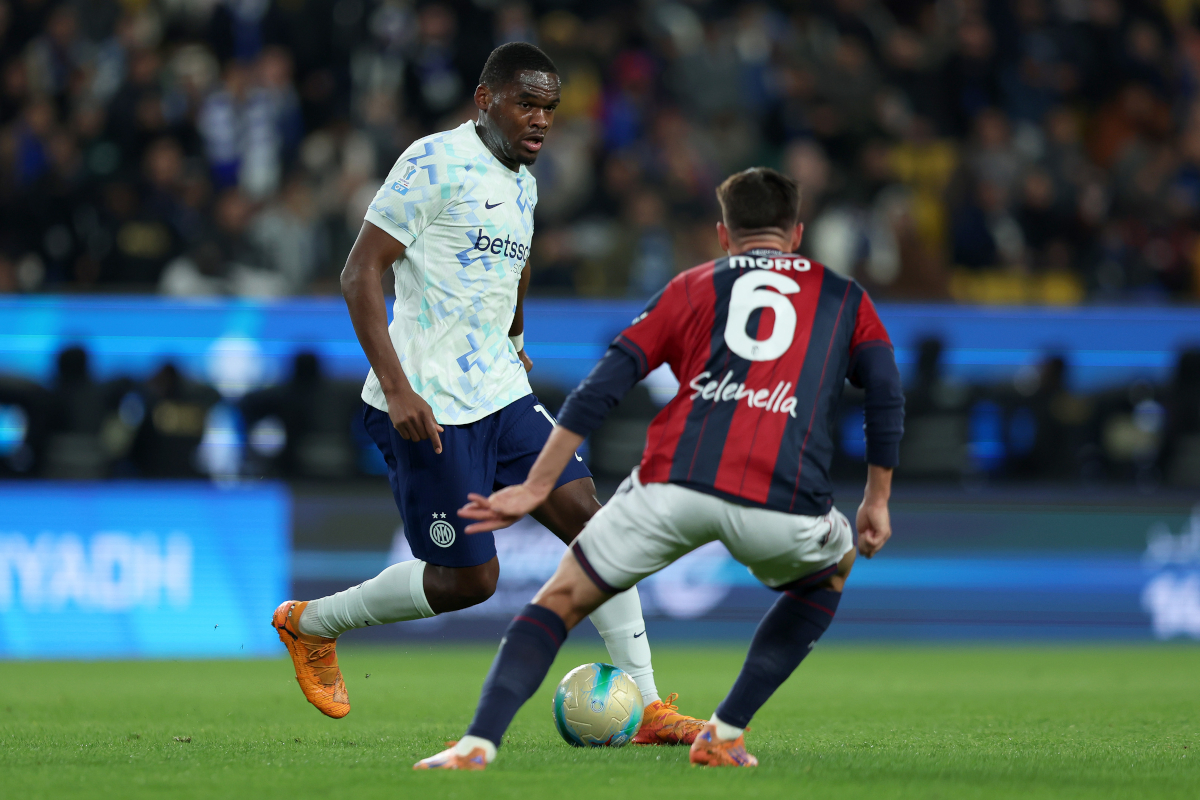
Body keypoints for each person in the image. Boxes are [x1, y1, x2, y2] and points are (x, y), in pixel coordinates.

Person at [271, 42, 703, 745]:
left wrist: (517, 334)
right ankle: (310, 624)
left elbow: (517, 258)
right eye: (526, 104)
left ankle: (650, 707)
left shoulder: (527, 180)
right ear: (484, 99)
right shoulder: (431, 161)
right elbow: (360, 274)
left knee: (600, 535)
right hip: (428, 406)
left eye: (550, 109)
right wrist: (398, 388)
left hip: (501, 392)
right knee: (466, 582)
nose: (540, 120)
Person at [414, 167, 904, 770]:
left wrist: (538, 483)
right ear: (796, 234)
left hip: (674, 482)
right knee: (830, 570)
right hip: (784, 494)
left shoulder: (692, 287)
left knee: (562, 597)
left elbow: (603, 386)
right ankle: (724, 733)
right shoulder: (845, 297)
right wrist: (876, 498)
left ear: (724, 236)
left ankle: (476, 744)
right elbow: (884, 390)